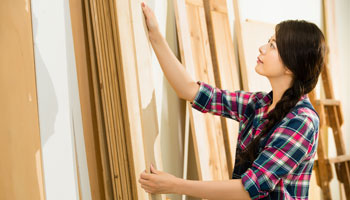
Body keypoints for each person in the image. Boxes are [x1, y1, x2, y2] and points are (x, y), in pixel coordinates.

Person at [139, 2, 325, 199]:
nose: (262, 48)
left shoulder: (302, 121)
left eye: (272, 46)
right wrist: (156, 36)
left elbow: (249, 188)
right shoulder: (259, 104)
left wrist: (175, 185)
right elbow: (191, 91)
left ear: (290, 65)